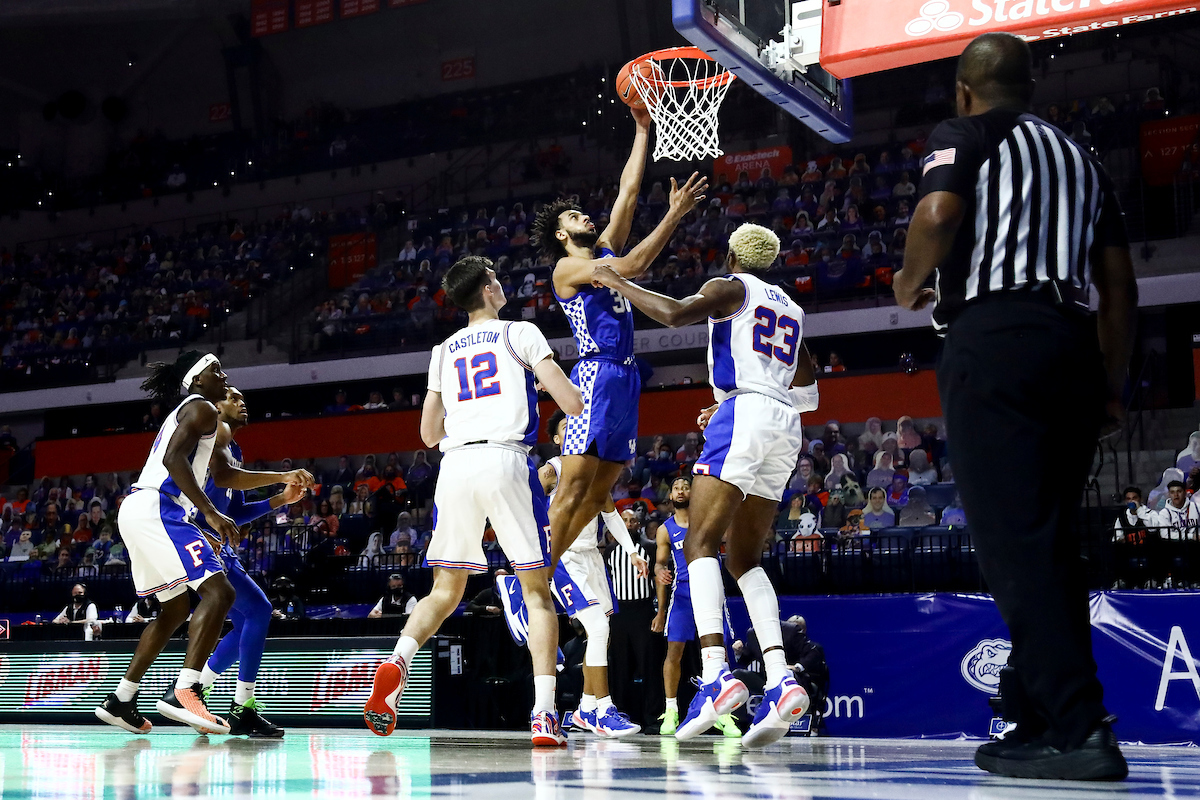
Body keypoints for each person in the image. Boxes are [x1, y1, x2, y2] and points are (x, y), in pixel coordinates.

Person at [892, 33, 1136, 780]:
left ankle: (1082, 726)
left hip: (994, 340)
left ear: (966, 90)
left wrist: (908, 283)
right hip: (1071, 342)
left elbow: (936, 213)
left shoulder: (963, 132)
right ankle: (1035, 714)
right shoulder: (1082, 157)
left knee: (1013, 544)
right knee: (1052, 540)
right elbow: (1120, 286)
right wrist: (1111, 384)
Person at [592, 221, 818, 748]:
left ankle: (717, 674)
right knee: (745, 560)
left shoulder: (728, 287)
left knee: (698, 542)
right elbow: (809, 391)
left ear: (733, 254)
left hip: (745, 412)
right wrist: (752, 400)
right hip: (785, 423)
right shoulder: (791, 309)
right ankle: (781, 679)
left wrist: (618, 283)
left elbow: (672, 314)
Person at [364, 255, 583, 747]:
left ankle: (398, 659)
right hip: (506, 460)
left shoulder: (443, 349)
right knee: (536, 592)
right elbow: (569, 403)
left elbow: (426, 433)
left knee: (445, 591)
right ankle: (545, 715)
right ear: (488, 286)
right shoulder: (519, 333)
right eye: (498, 277)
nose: (502, 283)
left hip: (455, 467)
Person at [93, 352, 311, 737]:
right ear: (196, 381)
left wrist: (281, 478)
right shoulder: (202, 409)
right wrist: (209, 513)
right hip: (160, 508)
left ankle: (122, 698)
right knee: (220, 593)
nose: (225, 376)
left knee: (174, 610)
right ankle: (186, 690)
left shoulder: (201, 416)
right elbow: (176, 459)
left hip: (141, 509)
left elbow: (225, 475)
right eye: (216, 371)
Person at [531, 107, 706, 574]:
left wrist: (642, 129)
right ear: (561, 234)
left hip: (626, 376)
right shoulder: (567, 269)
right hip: (596, 372)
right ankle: (536, 575)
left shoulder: (603, 247)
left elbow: (628, 190)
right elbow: (632, 270)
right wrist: (673, 215)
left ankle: (548, 570)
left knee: (599, 492)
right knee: (573, 488)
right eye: (574, 215)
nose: (585, 215)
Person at [497, 409, 650, 738]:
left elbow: (609, 514)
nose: (574, 431)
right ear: (555, 438)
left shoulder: (594, 470)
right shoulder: (553, 469)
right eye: (567, 428)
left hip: (592, 557)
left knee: (602, 633)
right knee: (598, 625)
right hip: (565, 556)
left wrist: (634, 551)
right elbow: (522, 504)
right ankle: (603, 709)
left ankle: (585, 707)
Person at [194, 386, 305, 739]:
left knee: (246, 621)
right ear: (215, 407)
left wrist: (281, 499)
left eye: (244, 400)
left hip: (222, 546)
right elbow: (222, 483)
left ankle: (197, 690)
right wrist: (281, 477)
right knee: (259, 609)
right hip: (199, 541)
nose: (242, 403)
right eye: (233, 398)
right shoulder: (209, 440)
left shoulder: (235, 450)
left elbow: (236, 512)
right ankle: (242, 707)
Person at [651, 476, 740, 739]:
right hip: (683, 595)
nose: (680, 491)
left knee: (719, 654)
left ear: (694, 492)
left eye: (685, 487)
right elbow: (660, 564)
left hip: (710, 591)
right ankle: (671, 711)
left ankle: (724, 713)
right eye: (676, 487)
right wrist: (659, 574)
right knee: (673, 653)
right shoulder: (665, 529)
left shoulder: (708, 521)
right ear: (671, 496)